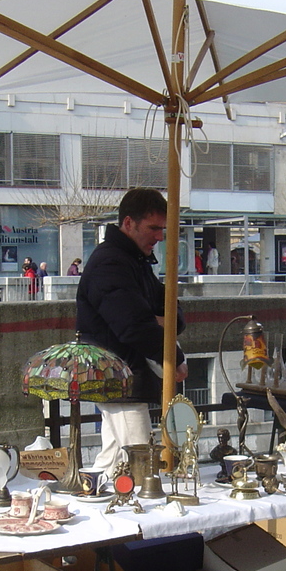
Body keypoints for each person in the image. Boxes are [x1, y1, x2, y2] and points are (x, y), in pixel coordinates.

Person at [76, 188, 187, 475]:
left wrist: (159, 321)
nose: (160, 236)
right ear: (128, 223)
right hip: (119, 378)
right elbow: (135, 326)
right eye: (153, 228)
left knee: (112, 463)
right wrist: (173, 356)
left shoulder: (131, 261)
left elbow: (173, 312)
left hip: (120, 376)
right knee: (142, 466)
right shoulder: (113, 263)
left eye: (162, 229)